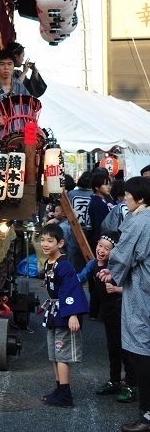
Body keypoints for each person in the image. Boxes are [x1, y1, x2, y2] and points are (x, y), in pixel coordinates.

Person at [98, 177, 150, 432]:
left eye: (128, 195)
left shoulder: (139, 220)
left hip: (143, 292)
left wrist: (113, 273)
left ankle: (147, 415)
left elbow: (123, 255)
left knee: (141, 346)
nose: (124, 199)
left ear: (139, 199)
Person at [77, 230, 138, 404]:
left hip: (122, 310)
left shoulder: (118, 266)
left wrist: (117, 289)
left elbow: (136, 289)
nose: (101, 250)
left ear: (115, 252)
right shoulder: (93, 264)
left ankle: (131, 385)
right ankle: (114, 381)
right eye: (100, 245)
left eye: (107, 248)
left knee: (125, 349)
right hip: (107, 310)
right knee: (112, 347)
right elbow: (80, 277)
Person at [39, 222, 89, 408]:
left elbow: (72, 290)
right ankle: (59, 390)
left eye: (50, 241)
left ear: (60, 243)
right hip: (54, 313)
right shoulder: (49, 262)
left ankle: (65, 395)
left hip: (65, 314)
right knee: (54, 354)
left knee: (62, 355)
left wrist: (73, 315)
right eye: (43, 240)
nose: (45, 244)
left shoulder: (65, 265)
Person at [67, 171, 93, 271]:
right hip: (89, 230)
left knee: (73, 256)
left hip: (74, 230)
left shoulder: (71, 194)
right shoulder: (94, 195)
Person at [87, 168, 112, 249]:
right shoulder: (98, 203)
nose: (108, 187)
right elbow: (100, 226)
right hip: (98, 241)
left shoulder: (98, 201)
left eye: (109, 184)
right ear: (97, 187)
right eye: (105, 184)